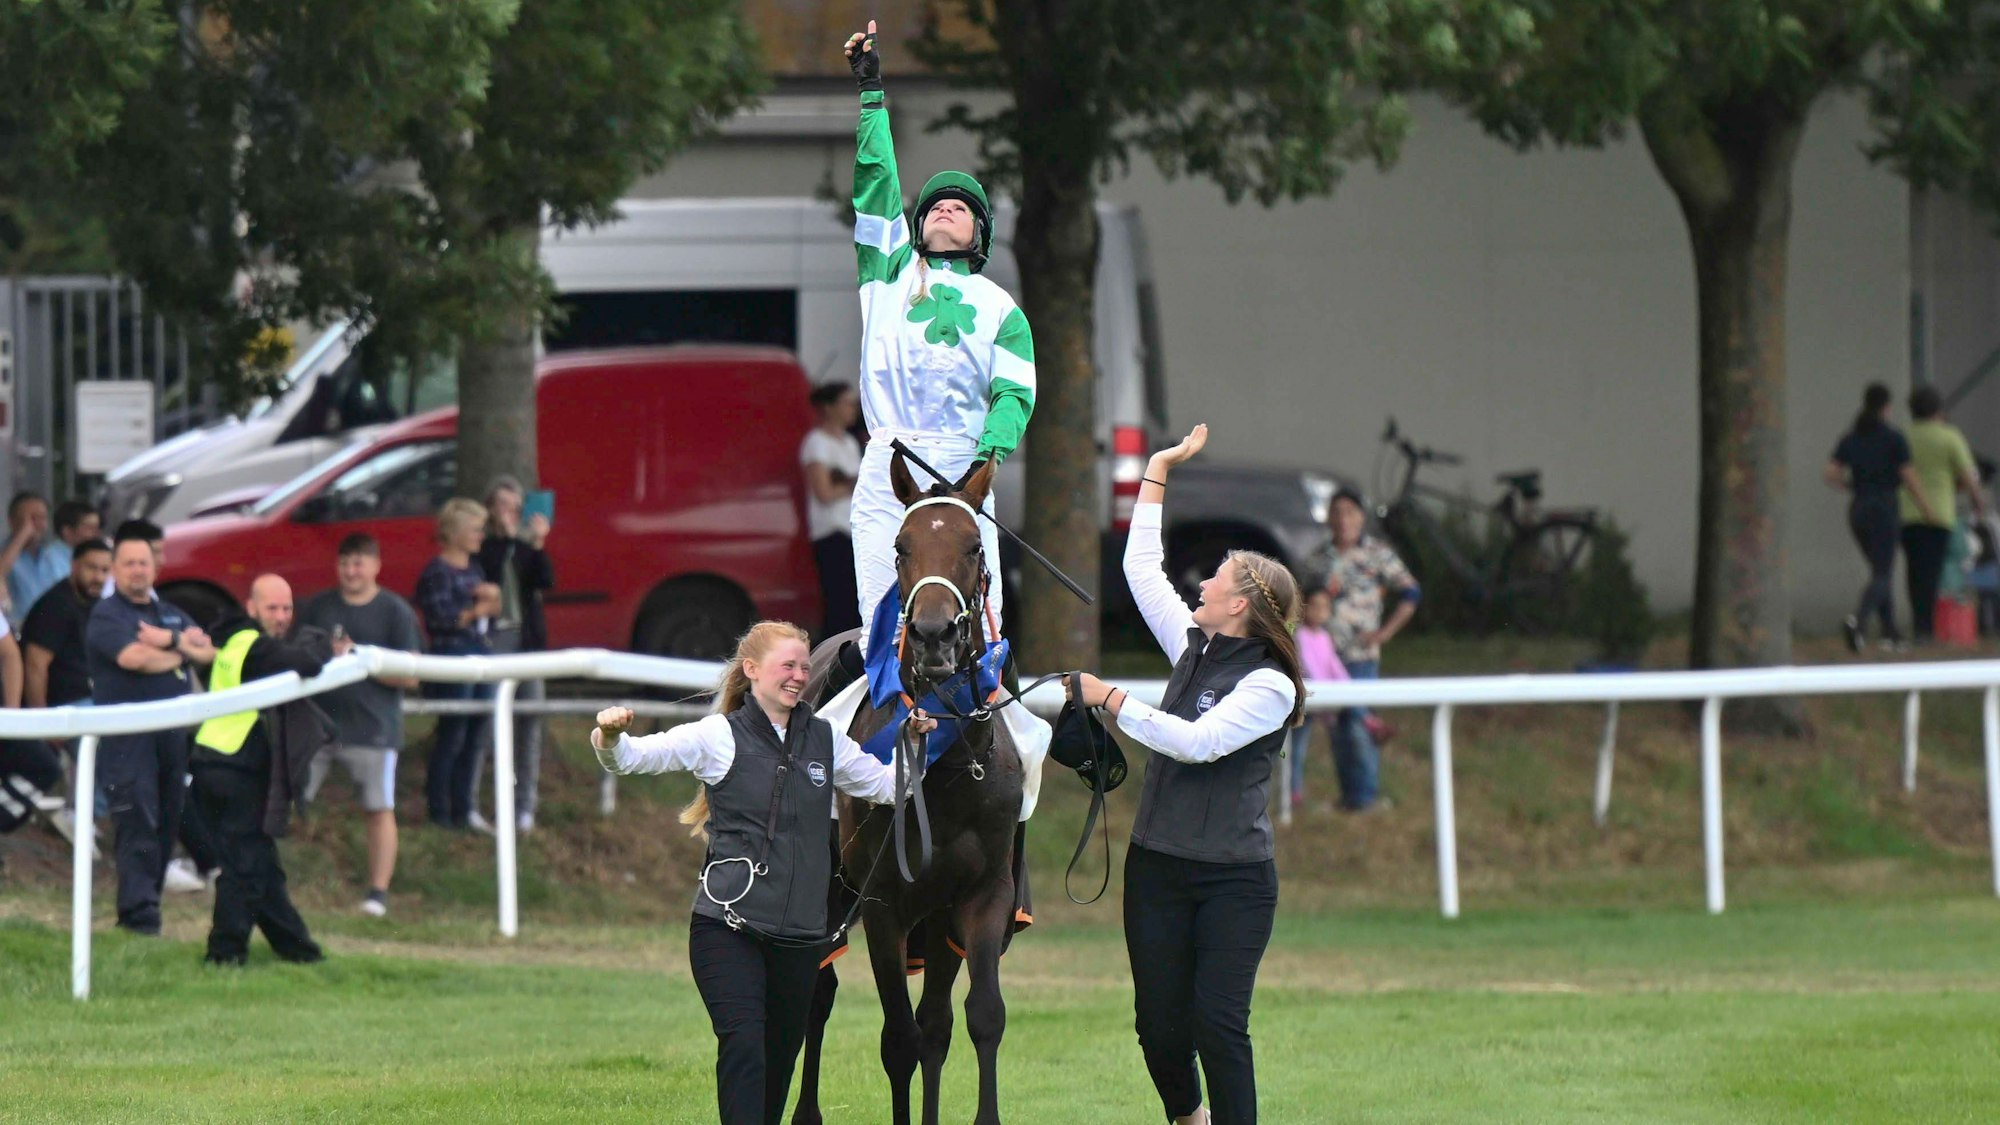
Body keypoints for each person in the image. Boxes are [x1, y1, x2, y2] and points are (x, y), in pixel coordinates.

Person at [1066, 425, 1302, 1125]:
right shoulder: (1193, 645)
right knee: (1159, 1030)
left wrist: (1110, 698)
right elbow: (1143, 570)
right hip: (1157, 867)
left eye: (1216, 581)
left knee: (1218, 1026)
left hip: (1233, 877)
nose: (1200, 584)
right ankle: (1187, 1118)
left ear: (1241, 606)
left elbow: (1197, 743)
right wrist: (1157, 470)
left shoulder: (1271, 686)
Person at [591, 621, 916, 1125]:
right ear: (752, 670)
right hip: (728, 929)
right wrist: (609, 736)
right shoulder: (717, 736)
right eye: (788, 665)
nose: (799, 675)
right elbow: (632, 759)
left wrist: (917, 746)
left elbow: (891, 789)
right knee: (745, 1046)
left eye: (805, 666)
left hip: (801, 939)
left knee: (778, 1064)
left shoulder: (827, 739)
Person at [842, 20, 1036, 656]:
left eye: (961, 206)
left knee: (981, 633)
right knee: (882, 626)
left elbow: (1014, 394)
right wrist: (873, 96)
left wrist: (987, 459)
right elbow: (877, 182)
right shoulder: (890, 269)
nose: (944, 208)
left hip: (967, 465)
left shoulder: (1001, 307)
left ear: (979, 232)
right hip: (890, 465)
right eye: (933, 205)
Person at [189, 575, 329, 966]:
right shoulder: (257, 647)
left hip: (213, 760)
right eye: (273, 608)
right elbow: (309, 662)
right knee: (245, 868)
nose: (282, 617)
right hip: (236, 765)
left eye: (287, 609)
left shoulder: (234, 641)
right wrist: (324, 643)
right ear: (251, 608)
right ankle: (224, 956)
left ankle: (300, 952)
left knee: (261, 866)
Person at [85, 528, 217, 934]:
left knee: (166, 820)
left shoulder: (169, 614)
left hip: (172, 736)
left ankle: (149, 910)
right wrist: (180, 650)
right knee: (137, 821)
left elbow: (210, 650)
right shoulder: (108, 614)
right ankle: (137, 918)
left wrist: (171, 639)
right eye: (128, 563)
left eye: (144, 562)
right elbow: (134, 658)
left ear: (155, 567)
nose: (137, 570)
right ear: (115, 570)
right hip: (128, 740)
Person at [298, 533, 423, 917]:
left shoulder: (394, 612)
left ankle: (377, 894)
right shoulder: (318, 607)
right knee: (288, 801)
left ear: (375, 565)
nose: (351, 571)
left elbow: (412, 676)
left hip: (374, 730)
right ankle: (285, 881)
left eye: (359, 563)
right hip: (316, 727)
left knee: (377, 807)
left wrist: (360, 659)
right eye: (345, 563)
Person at [1324, 486, 1417, 813]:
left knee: (1357, 723)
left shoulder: (1378, 554)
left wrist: (1385, 633)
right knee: (1337, 726)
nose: (1343, 519)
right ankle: (1349, 796)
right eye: (1336, 512)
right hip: (1326, 659)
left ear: (1361, 517)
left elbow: (1410, 593)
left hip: (1362, 655)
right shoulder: (1320, 557)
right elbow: (1298, 602)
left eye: (1350, 512)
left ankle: (1367, 797)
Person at [1826, 383, 1935, 652]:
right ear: (1887, 407)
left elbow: (1830, 474)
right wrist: (1926, 507)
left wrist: (1852, 486)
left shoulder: (1851, 437)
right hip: (1884, 508)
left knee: (1879, 572)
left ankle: (1891, 633)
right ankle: (1858, 622)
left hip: (1859, 509)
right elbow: (1909, 477)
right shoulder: (1893, 438)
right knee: (1883, 573)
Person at [414, 498, 500, 830]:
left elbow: (490, 615)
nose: (481, 535)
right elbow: (443, 619)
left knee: (478, 734)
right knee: (453, 732)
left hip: (481, 652)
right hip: (452, 657)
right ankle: (440, 809)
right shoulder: (437, 572)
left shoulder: (475, 570)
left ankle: (465, 807)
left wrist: (489, 604)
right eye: (475, 529)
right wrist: (479, 608)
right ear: (456, 532)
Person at [474, 477, 555, 833]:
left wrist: (536, 544)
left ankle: (526, 808)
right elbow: (488, 569)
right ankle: (484, 802)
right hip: (496, 639)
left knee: (530, 721)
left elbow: (543, 580)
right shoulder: (483, 545)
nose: (509, 514)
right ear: (490, 509)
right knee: (490, 724)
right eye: (502, 506)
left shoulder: (524, 547)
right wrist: (508, 537)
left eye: (515, 508)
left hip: (528, 641)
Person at [1902, 385, 1988, 643]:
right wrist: (1977, 501)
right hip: (1939, 513)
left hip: (1907, 513)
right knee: (1932, 571)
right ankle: (1926, 629)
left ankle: (1919, 624)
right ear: (1938, 409)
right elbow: (1967, 474)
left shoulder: (1904, 436)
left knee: (1914, 571)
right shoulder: (1949, 436)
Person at [800, 382, 864, 638]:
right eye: (847, 403)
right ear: (828, 408)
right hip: (831, 532)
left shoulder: (849, 442)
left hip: (852, 530)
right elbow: (824, 492)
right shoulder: (817, 443)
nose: (853, 409)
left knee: (854, 600)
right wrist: (852, 482)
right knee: (839, 601)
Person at [23, 538, 111, 710]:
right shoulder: (56, 605)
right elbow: (35, 665)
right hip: (66, 708)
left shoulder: (94, 600)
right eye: (91, 568)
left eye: (105, 570)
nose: (98, 577)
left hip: (93, 697)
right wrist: (43, 724)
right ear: (74, 566)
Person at [1287, 588, 1348, 809]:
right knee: (1297, 748)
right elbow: (1308, 667)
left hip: (1322, 698)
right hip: (1306, 702)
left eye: (1325, 607)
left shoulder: (1324, 637)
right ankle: (1293, 792)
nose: (1321, 611)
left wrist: (1347, 685)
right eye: (1316, 606)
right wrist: (1326, 692)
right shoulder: (1300, 636)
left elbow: (1333, 664)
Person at [3, 492, 65, 623]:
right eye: (31, 518)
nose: (36, 524)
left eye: (42, 518)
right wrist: (23, 534)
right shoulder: (5, 554)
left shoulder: (52, 555)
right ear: (12, 521)